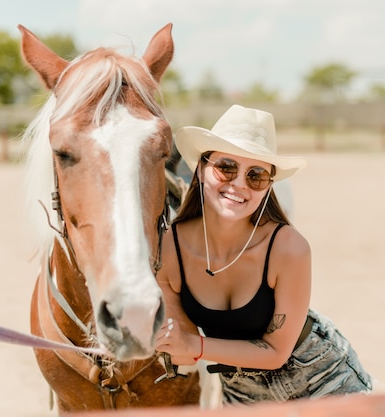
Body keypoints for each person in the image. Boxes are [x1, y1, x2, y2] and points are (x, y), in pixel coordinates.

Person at [156, 104, 373, 404]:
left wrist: (193, 345)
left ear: (268, 185)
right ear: (202, 169)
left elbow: (275, 352)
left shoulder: (288, 248)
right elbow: (184, 351)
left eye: (256, 175)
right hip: (242, 396)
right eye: (226, 167)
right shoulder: (170, 247)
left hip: (322, 380)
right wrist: (170, 339)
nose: (239, 184)